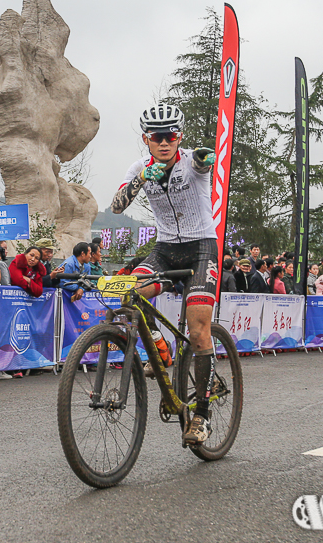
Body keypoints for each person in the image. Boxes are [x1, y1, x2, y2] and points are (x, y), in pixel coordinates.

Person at [110, 103, 217, 447]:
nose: (165, 142)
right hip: (166, 248)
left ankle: (201, 415)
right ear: (146, 139)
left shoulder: (191, 162)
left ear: (179, 136)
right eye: (157, 137)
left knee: (199, 330)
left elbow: (203, 163)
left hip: (202, 248)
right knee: (129, 295)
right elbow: (116, 206)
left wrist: (204, 158)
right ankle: (159, 347)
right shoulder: (140, 167)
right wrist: (142, 178)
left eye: (171, 136)